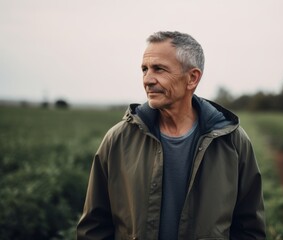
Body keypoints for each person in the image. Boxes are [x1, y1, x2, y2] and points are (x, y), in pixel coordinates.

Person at [77, 31, 266, 240]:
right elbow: (94, 228)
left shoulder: (233, 142)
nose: (148, 79)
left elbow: (249, 229)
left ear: (192, 78)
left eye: (159, 69)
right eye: (144, 69)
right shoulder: (117, 140)